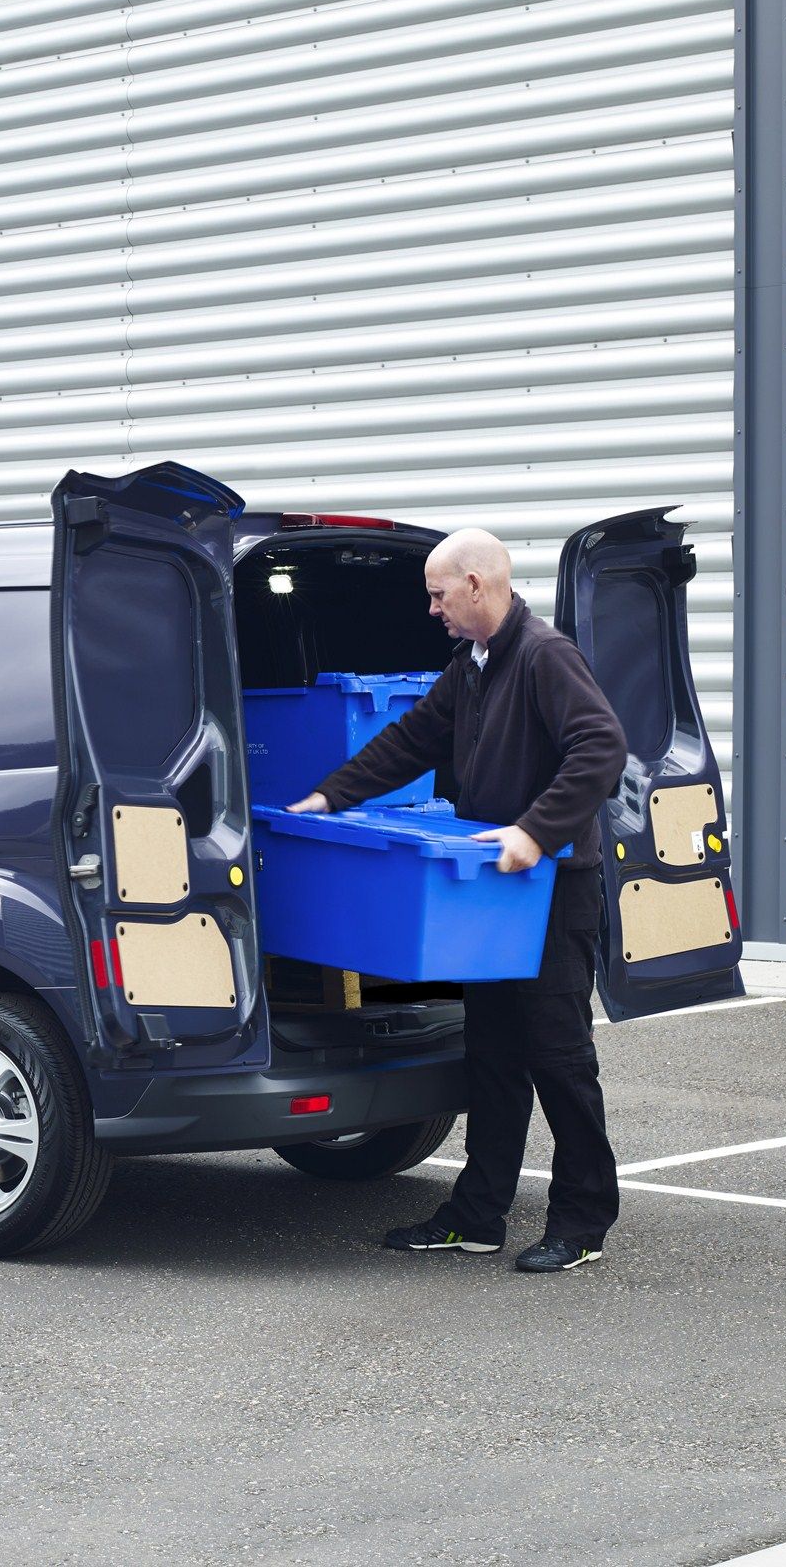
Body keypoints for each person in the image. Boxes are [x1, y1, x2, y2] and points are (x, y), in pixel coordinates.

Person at [287, 527, 627, 1272]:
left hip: (547, 889)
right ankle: (476, 1216)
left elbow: (601, 746)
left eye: (438, 594)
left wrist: (535, 832)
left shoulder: (543, 655)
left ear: (477, 584)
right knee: (493, 1055)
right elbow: (410, 739)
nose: (432, 609)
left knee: (559, 1058)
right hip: (488, 894)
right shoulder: (470, 664)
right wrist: (330, 796)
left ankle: (581, 1222)